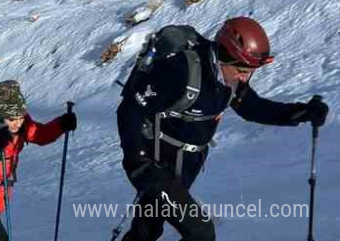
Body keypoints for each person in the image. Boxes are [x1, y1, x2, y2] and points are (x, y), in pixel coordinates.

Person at [117, 17, 330, 241]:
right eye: (242, 69)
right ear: (225, 56)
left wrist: (300, 112)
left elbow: (252, 108)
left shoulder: (230, 81)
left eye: (250, 71)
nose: (245, 76)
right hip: (156, 162)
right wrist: (138, 161)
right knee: (201, 232)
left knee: (147, 228)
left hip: (187, 163)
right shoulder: (180, 70)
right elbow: (131, 108)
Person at [0, 80, 76, 241]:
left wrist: (60, 124)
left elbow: (40, 134)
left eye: (20, 117)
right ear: (0, 117)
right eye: (13, 119)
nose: (18, 123)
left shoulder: (21, 124)